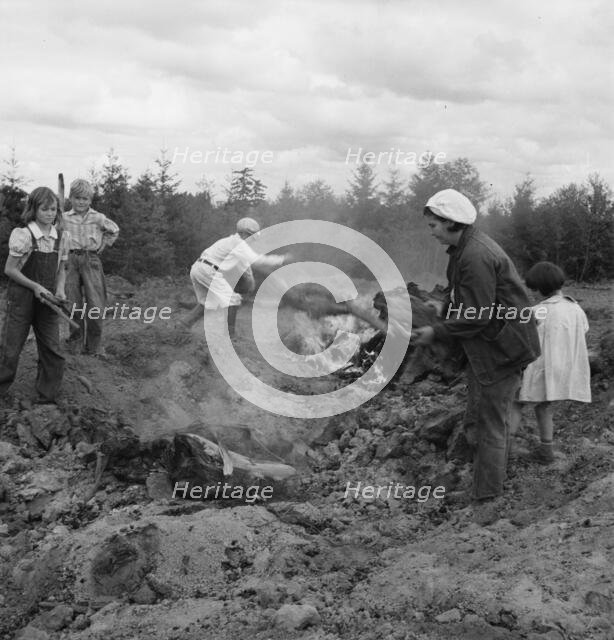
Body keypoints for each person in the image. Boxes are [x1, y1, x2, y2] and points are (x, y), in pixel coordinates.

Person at [412, 189, 540, 503]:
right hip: (490, 344)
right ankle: (483, 483)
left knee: (491, 425)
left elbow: (477, 316)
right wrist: (442, 311)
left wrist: (436, 332)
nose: (430, 233)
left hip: (501, 349)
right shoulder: (463, 250)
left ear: (451, 223)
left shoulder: (475, 256)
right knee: (479, 419)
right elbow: (464, 299)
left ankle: (487, 500)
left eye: (433, 226)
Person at [510, 262, 591, 464]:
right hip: (563, 368)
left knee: (515, 403)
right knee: (545, 405)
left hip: (539, 367)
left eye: (533, 289)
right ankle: (546, 451)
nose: (533, 294)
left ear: (539, 288)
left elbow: (524, 340)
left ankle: (503, 451)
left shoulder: (538, 311)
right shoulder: (576, 308)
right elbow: (584, 330)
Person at [0, 187, 70, 403]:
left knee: (53, 349)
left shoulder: (62, 237)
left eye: (53, 209)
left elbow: (62, 269)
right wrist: (35, 287)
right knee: (10, 350)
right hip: (21, 298)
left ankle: (46, 397)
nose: (50, 213)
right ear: (34, 209)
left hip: (48, 299)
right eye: (45, 209)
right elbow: (10, 270)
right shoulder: (24, 235)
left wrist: (60, 289)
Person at [180, 217, 287, 337]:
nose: (251, 240)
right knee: (233, 299)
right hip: (209, 270)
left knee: (207, 303)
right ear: (243, 233)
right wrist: (281, 259)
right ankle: (231, 336)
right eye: (251, 236)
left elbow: (244, 267)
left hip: (197, 268)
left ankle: (182, 326)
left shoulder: (228, 241)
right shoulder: (239, 244)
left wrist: (249, 280)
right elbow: (257, 260)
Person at [63, 179, 119, 356]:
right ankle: (75, 344)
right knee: (73, 303)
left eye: (85, 199)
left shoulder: (98, 217)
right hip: (70, 260)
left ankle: (93, 347)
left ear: (90, 200)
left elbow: (114, 230)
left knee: (95, 303)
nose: (81, 202)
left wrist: (104, 244)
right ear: (71, 198)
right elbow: (53, 233)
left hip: (91, 260)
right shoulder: (63, 218)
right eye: (77, 198)